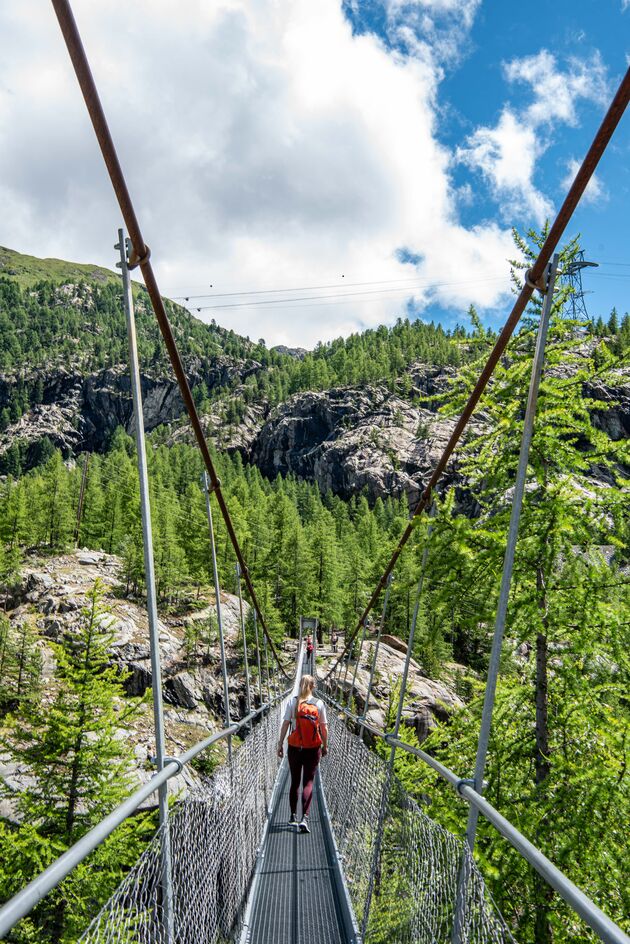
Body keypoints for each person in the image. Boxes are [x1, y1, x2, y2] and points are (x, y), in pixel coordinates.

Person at [277, 675, 328, 833]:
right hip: (313, 748)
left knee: (294, 781)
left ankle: (292, 816)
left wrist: (280, 744)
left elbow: (286, 723)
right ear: (313, 686)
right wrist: (325, 746)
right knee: (308, 782)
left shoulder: (293, 702)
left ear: (299, 685)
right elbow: (324, 728)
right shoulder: (319, 704)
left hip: (294, 747)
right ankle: (304, 819)